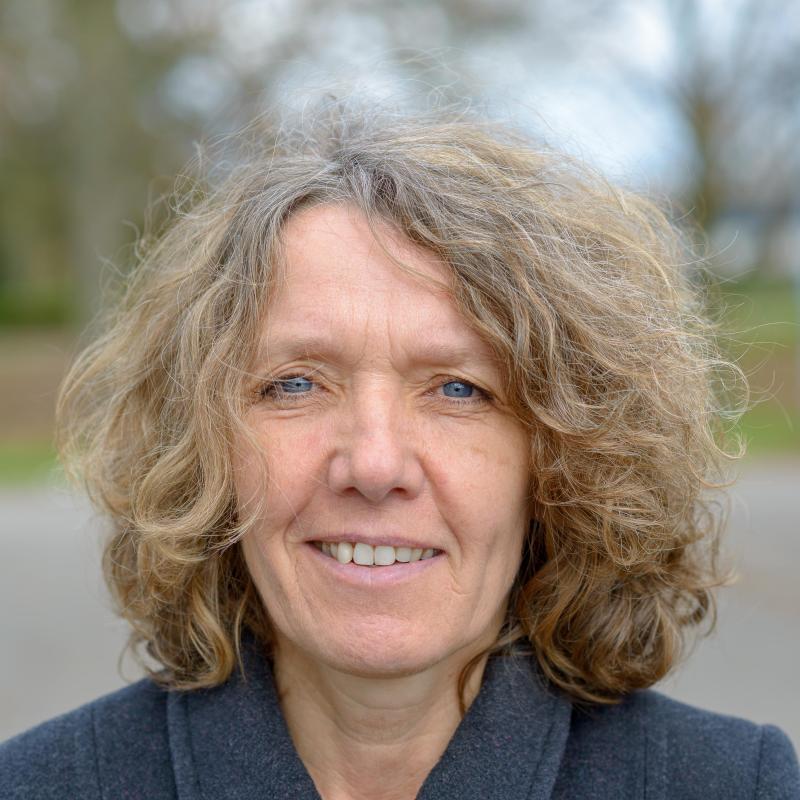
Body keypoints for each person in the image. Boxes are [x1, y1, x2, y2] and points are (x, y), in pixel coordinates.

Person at [1, 100, 798, 800]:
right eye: (295, 385)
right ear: (201, 447)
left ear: (566, 458)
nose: (375, 465)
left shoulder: (738, 785)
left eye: (458, 389)